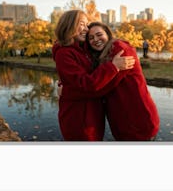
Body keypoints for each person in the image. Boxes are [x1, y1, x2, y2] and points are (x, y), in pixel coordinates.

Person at [52, 10, 135, 141]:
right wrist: (113, 67)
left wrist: (65, 86)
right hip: (79, 119)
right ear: (69, 25)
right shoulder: (64, 54)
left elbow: (87, 75)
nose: (86, 29)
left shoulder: (83, 50)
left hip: (93, 117)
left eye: (86, 25)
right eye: (82, 24)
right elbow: (86, 84)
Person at [87, 22, 160, 141]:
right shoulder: (102, 56)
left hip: (140, 121)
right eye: (91, 38)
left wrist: (70, 89)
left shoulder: (120, 49)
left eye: (99, 34)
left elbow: (101, 86)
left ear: (108, 34)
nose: (95, 39)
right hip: (124, 123)